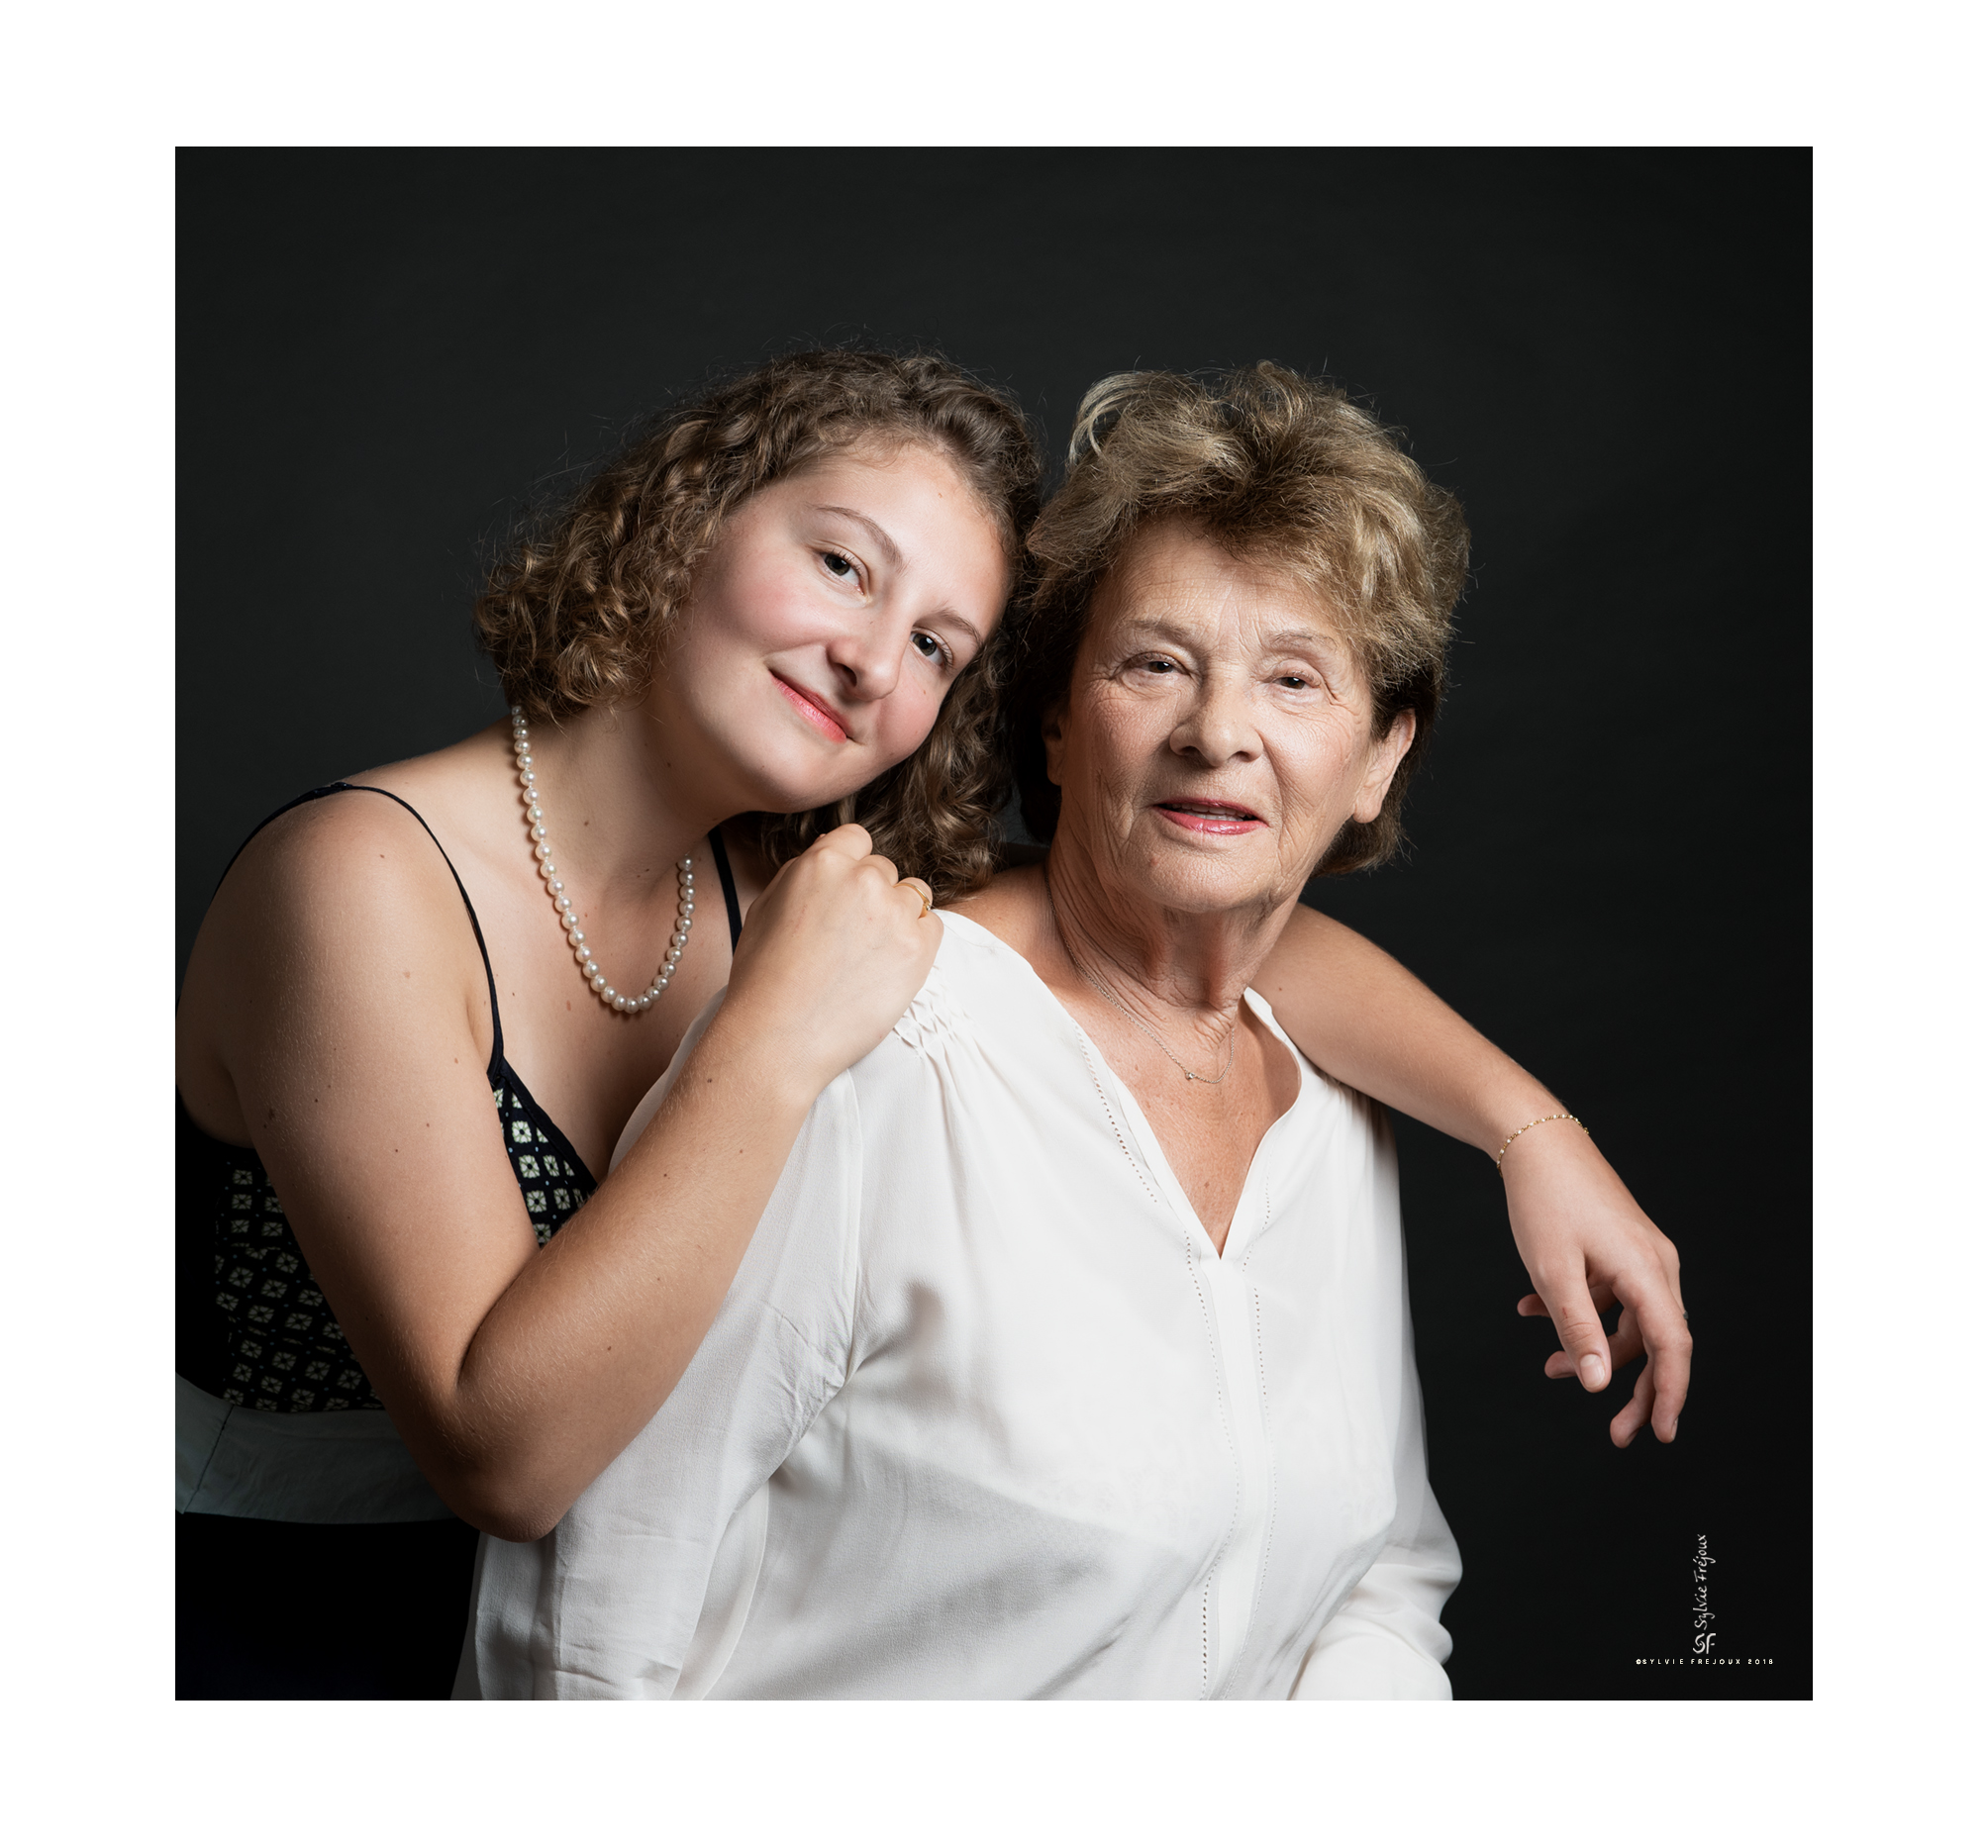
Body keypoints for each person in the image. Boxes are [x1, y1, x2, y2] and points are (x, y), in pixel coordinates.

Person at [179, 349, 1683, 1700]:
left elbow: (1197, 917)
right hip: (272, 1640)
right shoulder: (363, 883)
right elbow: (503, 1462)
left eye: (938, 645)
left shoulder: (780, 882)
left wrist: (1524, 1128)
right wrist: (766, 1047)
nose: (867, 657)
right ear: (687, 517)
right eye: (840, 564)